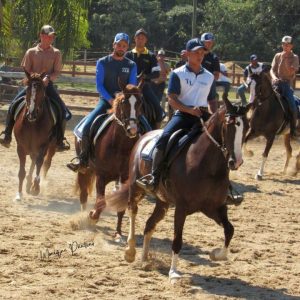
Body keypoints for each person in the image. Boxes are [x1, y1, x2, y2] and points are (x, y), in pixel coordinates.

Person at [137, 38, 217, 192]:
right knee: (164, 137)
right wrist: (189, 110)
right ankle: (154, 176)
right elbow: (172, 99)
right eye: (196, 52)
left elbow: (212, 100)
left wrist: (214, 115)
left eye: (202, 52)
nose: (200, 55)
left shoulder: (209, 76)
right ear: (187, 54)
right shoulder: (177, 74)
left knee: (222, 140)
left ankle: (224, 184)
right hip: (183, 115)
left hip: (203, 115)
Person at [67, 32, 137, 172]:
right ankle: (83, 159)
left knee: (145, 127)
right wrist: (111, 100)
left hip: (126, 104)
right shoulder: (103, 62)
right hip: (106, 102)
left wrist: (122, 99)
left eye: (124, 46)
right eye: (119, 45)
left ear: (127, 48)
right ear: (114, 45)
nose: (121, 48)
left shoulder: (131, 65)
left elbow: (132, 86)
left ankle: (142, 164)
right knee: (86, 127)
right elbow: (99, 86)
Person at [0, 25, 70, 151]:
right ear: (41, 36)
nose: (51, 38)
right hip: (31, 86)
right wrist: (34, 78)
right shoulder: (31, 52)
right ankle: (7, 134)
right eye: (49, 36)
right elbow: (26, 70)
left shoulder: (56, 53)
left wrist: (48, 78)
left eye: (52, 37)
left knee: (62, 110)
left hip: (47, 87)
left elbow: (57, 72)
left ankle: (60, 139)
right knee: (13, 104)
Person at [125, 28, 165, 128]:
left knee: (158, 110)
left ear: (146, 40)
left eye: (142, 38)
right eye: (138, 37)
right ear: (135, 39)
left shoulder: (151, 56)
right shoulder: (128, 55)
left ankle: (155, 131)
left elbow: (156, 73)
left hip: (145, 86)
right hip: (129, 87)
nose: (140, 39)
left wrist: (145, 77)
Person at [270, 35, 299, 138]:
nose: (285, 46)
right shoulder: (277, 55)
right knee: (262, 98)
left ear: (291, 46)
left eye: (287, 45)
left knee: (293, 106)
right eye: (283, 44)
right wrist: (273, 77)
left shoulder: (294, 57)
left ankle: (293, 129)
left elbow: (292, 71)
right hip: (276, 83)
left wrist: (286, 59)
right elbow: (272, 70)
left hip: (286, 85)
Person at [200, 32, 220, 105]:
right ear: (202, 42)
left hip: (207, 84)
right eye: (207, 42)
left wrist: (204, 81)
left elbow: (216, 76)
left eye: (211, 43)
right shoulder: (195, 54)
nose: (209, 44)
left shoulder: (214, 58)